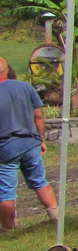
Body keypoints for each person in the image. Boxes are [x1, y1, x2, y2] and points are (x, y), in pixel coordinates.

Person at [0, 57, 59, 230]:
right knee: (39, 181)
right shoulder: (26, 87)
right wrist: (41, 139)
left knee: (6, 191)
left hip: (6, 148)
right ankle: (55, 218)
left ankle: (9, 228)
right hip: (30, 144)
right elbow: (38, 115)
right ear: (7, 70)